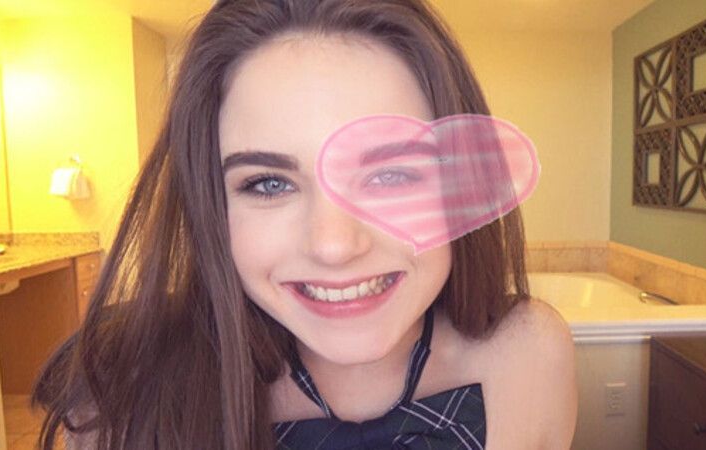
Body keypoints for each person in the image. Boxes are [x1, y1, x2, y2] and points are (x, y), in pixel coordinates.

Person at [31, 0, 577, 448]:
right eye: (269, 184)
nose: (334, 245)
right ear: (210, 206)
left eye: (391, 174)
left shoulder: (527, 357)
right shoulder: (120, 397)